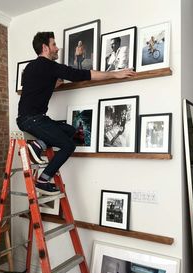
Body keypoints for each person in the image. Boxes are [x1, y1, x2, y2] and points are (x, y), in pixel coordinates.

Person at [16, 31, 136, 196]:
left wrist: (52, 84)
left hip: (28, 118)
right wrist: (114, 74)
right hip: (33, 120)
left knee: (71, 131)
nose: (57, 48)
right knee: (69, 145)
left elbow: (35, 88)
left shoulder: (30, 67)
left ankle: (38, 145)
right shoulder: (50, 66)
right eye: (53, 45)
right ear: (45, 47)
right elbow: (83, 75)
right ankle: (43, 180)